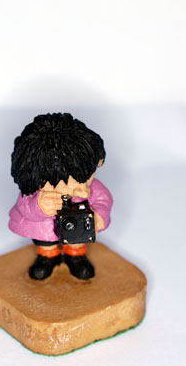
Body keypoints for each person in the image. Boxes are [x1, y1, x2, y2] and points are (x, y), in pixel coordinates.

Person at [9, 113, 113, 280]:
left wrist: (98, 217)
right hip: (44, 229)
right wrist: (39, 207)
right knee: (45, 242)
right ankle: (47, 257)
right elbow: (23, 207)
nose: (82, 190)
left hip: (78, 230)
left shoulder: (92, 188)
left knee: (78, 238)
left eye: (85, 180)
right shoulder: (37, 191)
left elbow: (104, 199)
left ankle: (76, 255)